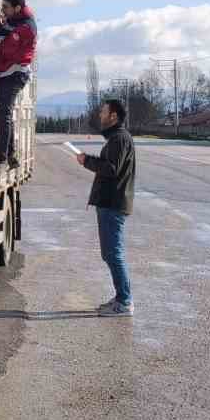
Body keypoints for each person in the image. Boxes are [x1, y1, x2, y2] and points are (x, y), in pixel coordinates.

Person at [74, 97, 136, 315]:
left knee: (113, 253)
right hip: (110, 203)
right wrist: (89, 160)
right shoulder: (116, 138)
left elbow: (111, 169)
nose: (100, 115)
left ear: (114, 116)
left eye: (103, 112)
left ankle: (125, 301)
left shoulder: (119, 139)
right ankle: (121, 298)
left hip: (113, 203)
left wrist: (86, 161)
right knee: (110, 253)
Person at [0, 0, 37, 171]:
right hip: (7, 73)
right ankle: (11, 157)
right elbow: (5, 33)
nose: (3, 10)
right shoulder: (16, 20)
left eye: (6, 7)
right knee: (5, 116)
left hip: (14, 74)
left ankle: (1, 160)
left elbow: (7, 47)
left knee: (4, 116)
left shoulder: (26, 27)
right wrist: (1, 27)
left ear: (17, 8)